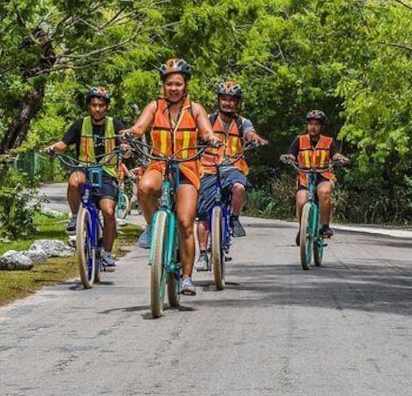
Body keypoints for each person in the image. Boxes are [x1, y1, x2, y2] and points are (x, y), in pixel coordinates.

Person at [121, 58, 219, 296]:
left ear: (185, 85)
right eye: (169, 84)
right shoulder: (155, 107)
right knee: (144, 188)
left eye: (178, 84)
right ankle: (153, 226)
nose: (173, 88)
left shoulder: (195, 109)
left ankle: (186, 277)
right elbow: (139, 127)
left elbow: (206, 131)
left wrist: (211, 138)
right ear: (163, 86)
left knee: (186, 223)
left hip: (186, 168)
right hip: (159, 164)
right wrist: (129, 133)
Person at [44, 86, 126, 270]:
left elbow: (125, 146)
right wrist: (53, 148)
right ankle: (75, 216)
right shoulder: (80, 124)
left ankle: (107, 253)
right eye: (94, 105)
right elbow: (64, 143)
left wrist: (126, 151)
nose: (97, 109)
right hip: (84, 167)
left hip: (107, 171)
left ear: (107, 107)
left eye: (101, 105)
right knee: (74, 182)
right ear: (89, 106)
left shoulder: (116, 125)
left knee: (108, 211)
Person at [194, 80, 267, 272]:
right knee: (203, 213)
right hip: (207, 167)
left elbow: (250, 134)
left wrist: (255, 139)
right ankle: (202, 254)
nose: (228, 103)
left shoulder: (242, 123)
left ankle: (234, 218)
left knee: (239, 188)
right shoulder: (208, 120)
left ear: (237, 102)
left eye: (232, 100)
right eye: (224, 99)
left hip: (233, 166)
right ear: (218, 100)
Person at [280, 110, 348, 244]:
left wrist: (340, 158)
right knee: (301, 200)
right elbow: (292, 154)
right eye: (310, 124)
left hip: (323, 175)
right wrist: (288, 157)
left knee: (324, 192)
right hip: (305, 176)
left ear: (321, 126)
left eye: (316, 124)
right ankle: (303, 228)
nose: (313, 127)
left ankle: (325, 226)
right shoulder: (300, 140)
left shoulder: (328, 141)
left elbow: (335, 154)